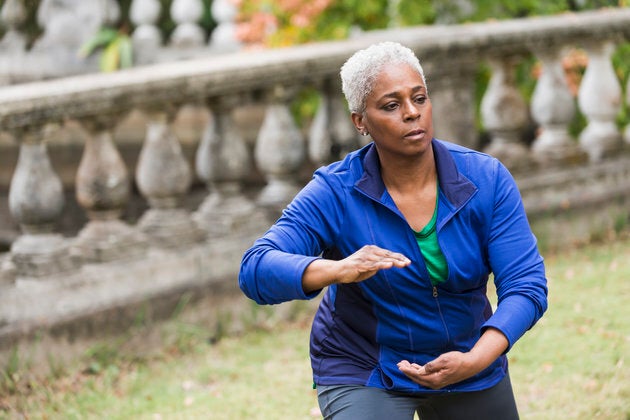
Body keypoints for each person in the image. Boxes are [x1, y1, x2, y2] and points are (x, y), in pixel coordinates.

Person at [239, 41, 548, 419]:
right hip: (364, 365)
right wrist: (338, 270)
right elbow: (255, 269)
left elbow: (526, 285)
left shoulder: (486, 179)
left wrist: (477, 358)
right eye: (391, 105)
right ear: (360, 121)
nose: (412, 113)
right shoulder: (335, 191)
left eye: (419, 98)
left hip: (470, 358)